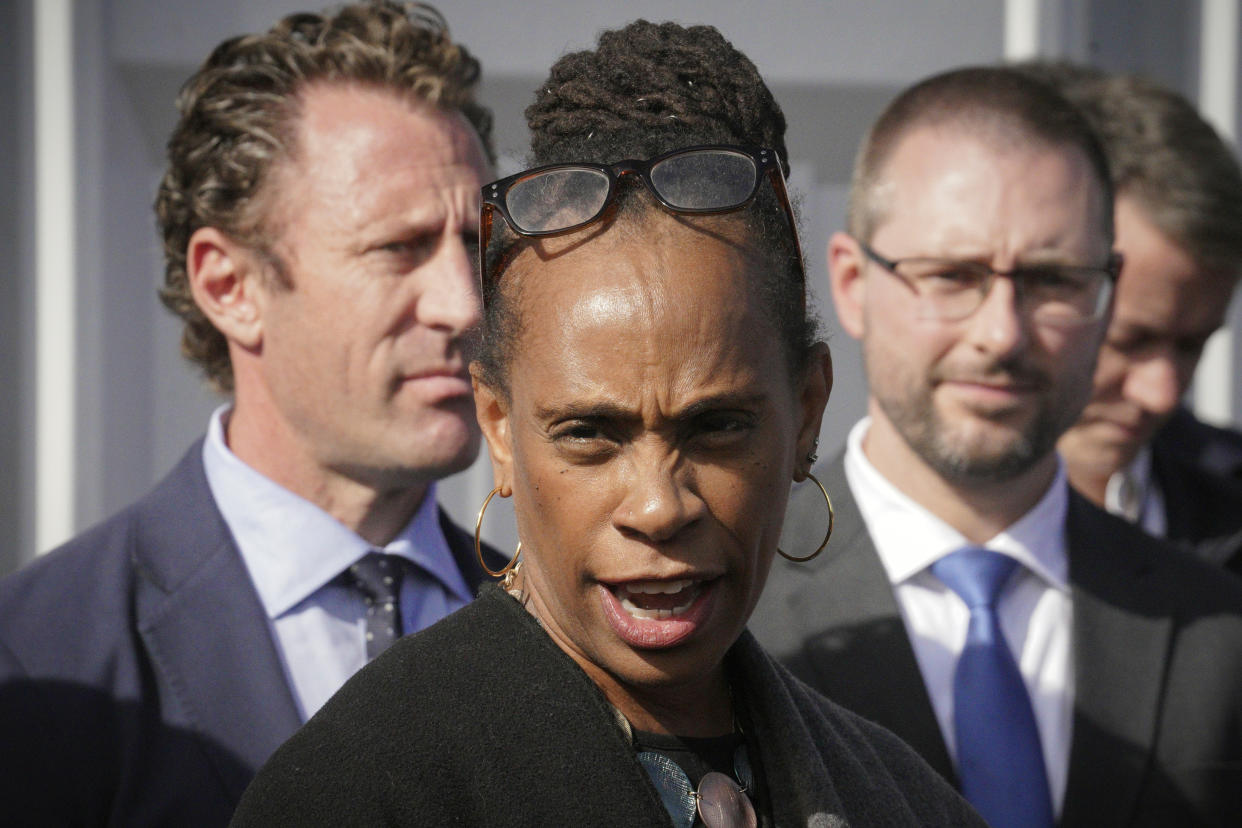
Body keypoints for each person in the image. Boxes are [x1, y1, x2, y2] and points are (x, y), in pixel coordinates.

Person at [231, 21, 986, 827]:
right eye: (591, 433)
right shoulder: (358, 796)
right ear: (499, 428)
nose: (659, 507)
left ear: (806, 415)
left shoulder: (903, 802)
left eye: (717, 426)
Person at [0, 3, 503, 825]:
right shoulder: (38, 664)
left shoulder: (562, 637)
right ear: (231, 287)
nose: (462, 303)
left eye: (478, 246)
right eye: (398, 248)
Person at [750, 67, 1242, 827]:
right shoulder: (730, 609)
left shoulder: (1216, 630)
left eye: (1052, 280)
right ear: (850, 283)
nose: (1003, 334)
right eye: (952, 276)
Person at [1021, 64, 1242, 574]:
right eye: (1128, 340)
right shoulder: (817, 538)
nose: (1163, 393)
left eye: (1192, 345)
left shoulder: (1230, 510)